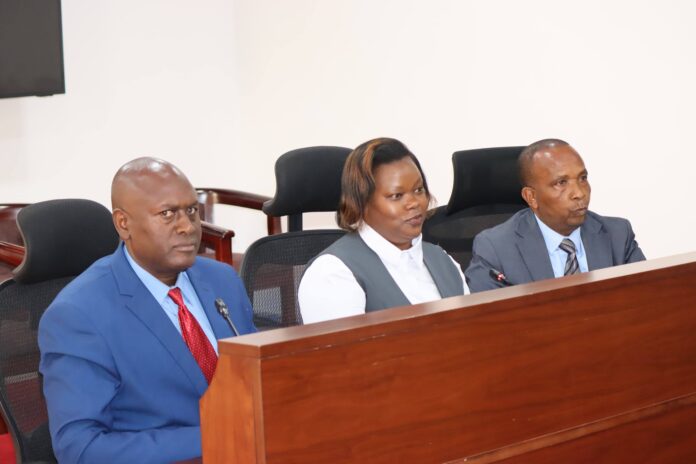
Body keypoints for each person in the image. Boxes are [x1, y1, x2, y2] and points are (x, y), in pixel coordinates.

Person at [39, 157, 256, 464]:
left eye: (192, 211)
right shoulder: (78, 315)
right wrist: (220, 434)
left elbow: (257, 377)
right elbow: (81, 448)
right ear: (123, 224)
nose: (187, 227)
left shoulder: (222, 280)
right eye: (167, 214)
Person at [299, 137, 469, 323]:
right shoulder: (333, 273)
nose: (414, 203)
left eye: (418, 190)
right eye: (396, 196)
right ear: (361, 203)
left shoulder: (442, 260)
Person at [465, 138, 645, 292]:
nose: (579, 193)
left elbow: (646, 299)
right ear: (531, 197)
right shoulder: (496, 249)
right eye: (561, 183)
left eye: (582, 178)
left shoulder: (618, 236)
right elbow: (488, 317)